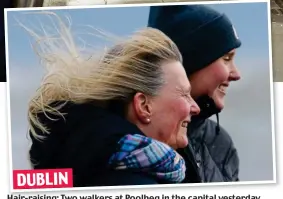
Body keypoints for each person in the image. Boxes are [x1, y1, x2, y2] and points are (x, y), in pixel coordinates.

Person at [26, 14, 200, 187]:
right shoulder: (131, 183)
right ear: (144, 106)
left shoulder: (86, 165)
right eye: (184, 94)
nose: (196, 108)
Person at [148, 4, 242, 182]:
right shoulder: (136, 140)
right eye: (226, 59)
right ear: (190, 61)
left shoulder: (221, 142)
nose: (236, 74)